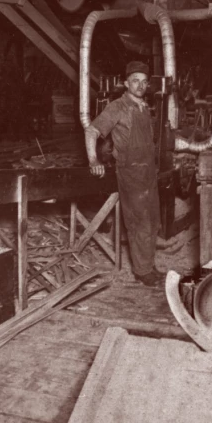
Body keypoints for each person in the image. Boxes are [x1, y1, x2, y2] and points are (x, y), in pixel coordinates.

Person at [85, 61, 162, 287]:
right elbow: (92, 130)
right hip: (130, 172)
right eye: (135, 81)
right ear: (126, 83)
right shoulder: (117, 107)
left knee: (151, 221)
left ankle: (148, 265)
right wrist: (93, 159)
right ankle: (142, 271)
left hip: (148, 171)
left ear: (148, 85)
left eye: (143, 81)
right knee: (138, 222)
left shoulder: (145, 107)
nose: (139, 85)